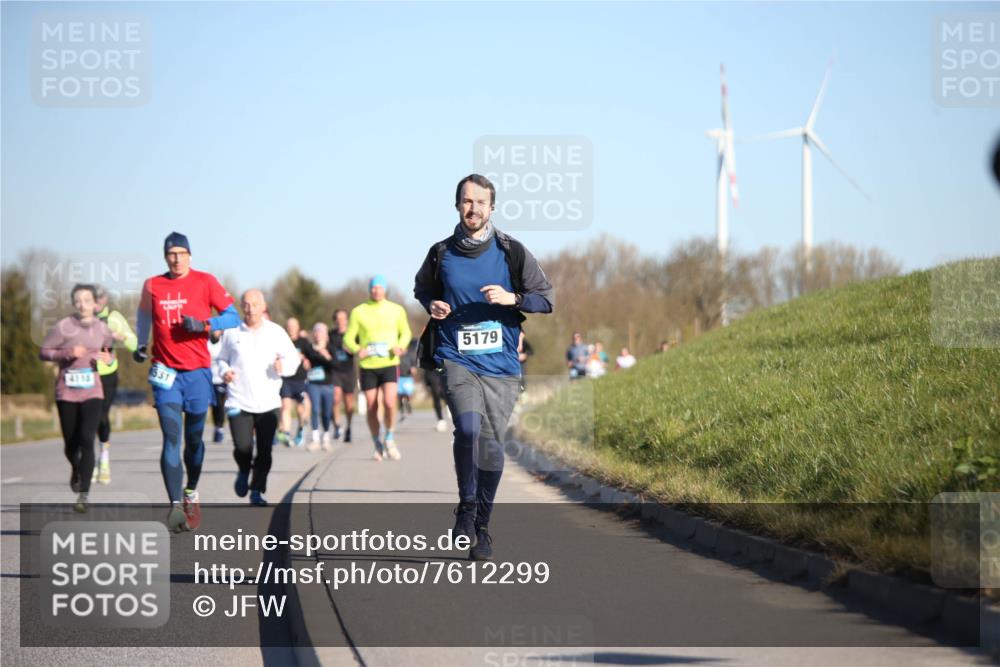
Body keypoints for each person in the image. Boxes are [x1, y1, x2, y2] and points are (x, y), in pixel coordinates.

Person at [414, 173, 554, 560]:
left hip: (502, 364)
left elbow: (546, 299)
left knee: (491, 445)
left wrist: (513, 298)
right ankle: (466, 506)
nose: (472, 208)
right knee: (468, 429)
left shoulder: (512, 252)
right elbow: (423, 289)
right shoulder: (440, 253)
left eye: (480, 202)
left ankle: (482, 527)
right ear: (457, 205)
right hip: (456, 356)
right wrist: (432, 304)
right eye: (466, 201)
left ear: (492, 207)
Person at [134, 232, 240, 533]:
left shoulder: (205, 282)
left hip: (197, 374)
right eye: (171, 254)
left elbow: (232, 317)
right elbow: (143, 315)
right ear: (165, 256)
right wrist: (141, 343)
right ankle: (175, 506)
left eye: (181, 253)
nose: (177, 258)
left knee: (193, 441)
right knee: (171, 436)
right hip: (165, 373)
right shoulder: (152, 285)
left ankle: (190, 491)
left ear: (190, 255)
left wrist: (205, 324)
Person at [215, 290, 301, 506]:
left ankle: (256, 490)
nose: (250, 309)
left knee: (265, 451)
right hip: (238, 399)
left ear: (263, 306)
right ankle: (244, 469)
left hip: (268, 401)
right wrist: (225, 371)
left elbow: (293, 360)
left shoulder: (276, 332)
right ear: (241, 306)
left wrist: (283, 366)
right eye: (246, 304)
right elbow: (221, 358)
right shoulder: (232, 331)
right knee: (243, 447)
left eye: (255, 304)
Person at [40, 284, 115, 513]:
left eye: (87, 300)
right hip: (67, 392)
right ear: (74, 303)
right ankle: (76, 468)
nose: (83, 304)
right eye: (78, 300)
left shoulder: (102, 328)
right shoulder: (64, 326)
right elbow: (44, 352)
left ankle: (84, 495)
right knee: (71, 444)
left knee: (86, 439)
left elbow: (110, 353)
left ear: (95, 303)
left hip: (93, 391)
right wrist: (67, 353)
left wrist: (108, 359)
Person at [343, 275, 412, 461]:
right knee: (372, 405)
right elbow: (348, 337)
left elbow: (405, 333)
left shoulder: (396, 310)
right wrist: (357, 349)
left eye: (380, 287)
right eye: (373, 288)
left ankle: (389, 437)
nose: (376, 291)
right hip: (368, 365)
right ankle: (376, 442)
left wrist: (400, 346)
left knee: (389, 402)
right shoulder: (359, 311)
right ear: (369, 290)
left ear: (385, 289)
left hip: (389, 362)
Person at [92, 285, 138, 484]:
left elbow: (134, 344)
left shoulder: (114, 318)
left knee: (101, 416)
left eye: (99, 297)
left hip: (107, 375)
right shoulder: (79, 320)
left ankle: (103, 460)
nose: (96, 301)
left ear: (105, 299)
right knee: (85, 420)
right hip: (85, 375)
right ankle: (88, 460)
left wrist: (120, 338)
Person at [277, 317, 312, 447]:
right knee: (285, 405)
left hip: (300, 379)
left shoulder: (303, 342)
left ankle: (301, 429)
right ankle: (286, 433)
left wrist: (308, 360)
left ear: (298, 327)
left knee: (301, 408)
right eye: (289, 325)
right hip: (286, 379)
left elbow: (312, 355)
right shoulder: (281, 341)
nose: (291, 328)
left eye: (293, 326)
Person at [303, 322, 337, 450]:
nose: (318, 334)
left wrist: (326, 356)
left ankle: (326, 436)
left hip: (328, 384)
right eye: (316, 331)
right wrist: (304, 360)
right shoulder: (309, 348)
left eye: (321, 331)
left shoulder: (331, 348)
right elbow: (306, 357)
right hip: (313, 383)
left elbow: (335, 365)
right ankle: (315, 439)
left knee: (327, 412)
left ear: (326, 335)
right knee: (315, 409)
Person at [328, 309, 357, 442]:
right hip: (335, 371)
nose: (340, 321)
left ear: (347, 320)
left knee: (349, 402)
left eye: (343, 318)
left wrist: (353, 349)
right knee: (335, 398)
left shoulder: (353, 334)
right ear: (335, 320)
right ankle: (337, 426)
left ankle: (349, 427)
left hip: (349, 371)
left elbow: (360, 347)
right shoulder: (331, 334)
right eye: (338, 319)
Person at [208, 331, 228, 443]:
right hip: (210, 379)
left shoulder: (224, 343)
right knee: (215, 405)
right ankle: (217, 427)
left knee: (222, 405)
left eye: (218, 330)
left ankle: (220, 428)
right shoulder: (206, 343)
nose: (215, 332)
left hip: (223, 378)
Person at [397, 339, 419, 420]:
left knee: (407, 394)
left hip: (407, 378)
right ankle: (402, 409)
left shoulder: (409, 356)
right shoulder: (397, 357)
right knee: (400, 395)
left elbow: (414, 367)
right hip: (399, 378)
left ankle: (408, 403)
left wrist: (413, 370)